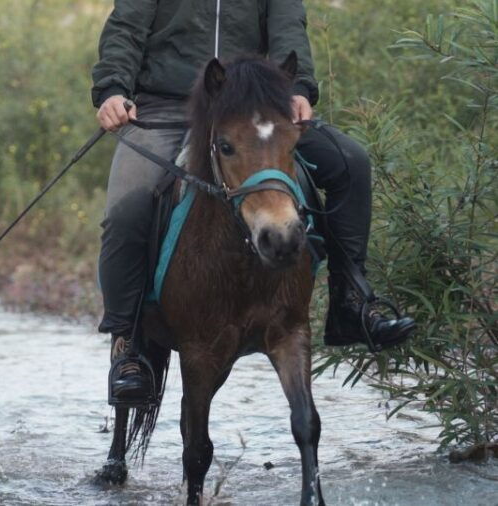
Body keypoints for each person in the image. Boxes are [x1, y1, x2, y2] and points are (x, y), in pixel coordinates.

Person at [92, 0, 416, 404]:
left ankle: (351, 302)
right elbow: (126, 27)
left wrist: (296, 89)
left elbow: (288, 26)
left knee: (350, 162)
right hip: (165, 106)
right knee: (127, 209)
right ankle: (129, 348)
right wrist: (113, 89)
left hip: (250, 107)